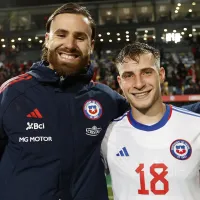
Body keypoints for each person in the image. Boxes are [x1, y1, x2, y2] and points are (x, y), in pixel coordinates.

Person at [0, 3, 130, 200]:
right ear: (47, 40)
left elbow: (157, 118)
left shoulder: (108, 100)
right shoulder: (11, 94)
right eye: (61, 35)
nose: (70, 44)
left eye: (80, 37)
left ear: (91, 45)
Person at [101, 42, 200, 200]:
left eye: (146, 72)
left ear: (161, 75)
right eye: (129, 75)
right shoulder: (108, 135)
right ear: (120, 82)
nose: (139, 84)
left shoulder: (196, 127)